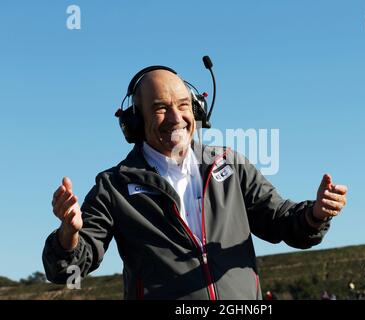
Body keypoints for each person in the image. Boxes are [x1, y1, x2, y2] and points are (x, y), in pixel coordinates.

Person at [42, 66, 348, 300]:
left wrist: (315, 214)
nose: (176, 118)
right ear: (135, 122)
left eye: (184, 105)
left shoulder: (232, 164)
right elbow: (66, 271)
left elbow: (281, 222)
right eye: (161, 108)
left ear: (197, 110)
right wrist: (68, 234)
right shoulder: (113, 186)